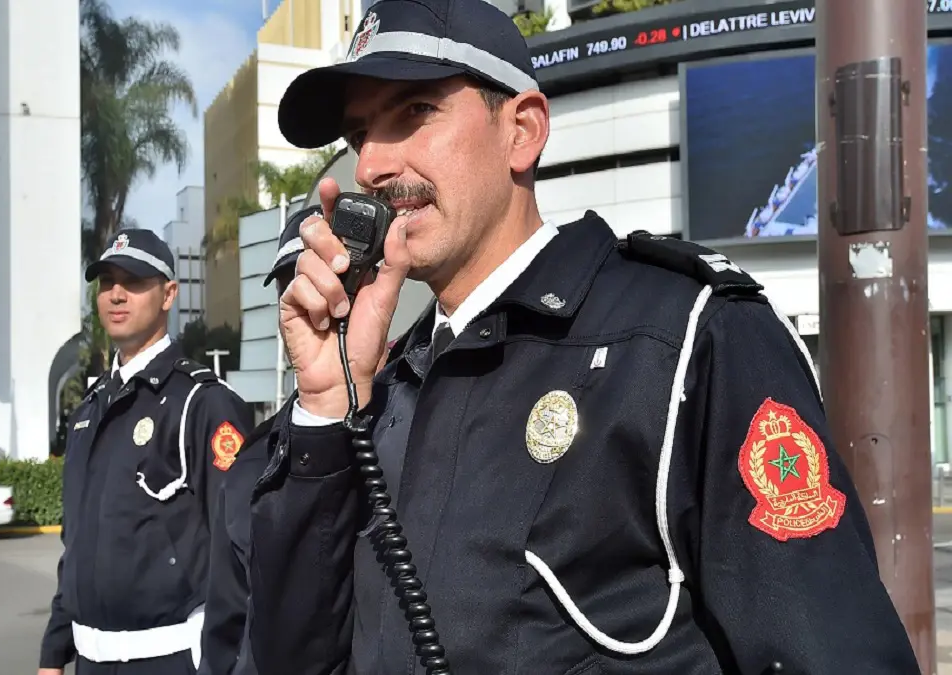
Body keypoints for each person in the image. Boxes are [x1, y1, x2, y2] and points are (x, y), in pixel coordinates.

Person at [245, 1, 921, 674]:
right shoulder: (379, 391)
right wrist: (327, 409)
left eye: (414, 112)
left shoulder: (685, 341)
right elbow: (290, 657)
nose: (373, 166)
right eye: (362, 134)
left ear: (522, 131)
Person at [39, 228, 254, 675]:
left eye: (134, 281)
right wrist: (54, 651)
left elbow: (237, 549)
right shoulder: (87, 410)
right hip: (90, 660)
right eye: (107, 283)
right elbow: (76, 542)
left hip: (170, 658)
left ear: (168, 294)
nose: (117, 295)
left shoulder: (203, 402)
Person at [198, 204, 319, 675]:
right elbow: (226, 628)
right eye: (292, 283)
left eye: (331, 277)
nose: (310, 301)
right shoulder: (253, 462)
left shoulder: (417, 425)